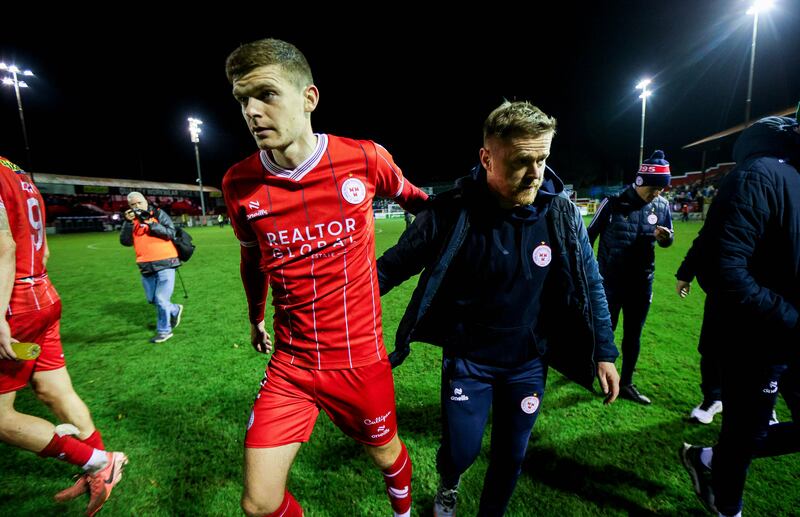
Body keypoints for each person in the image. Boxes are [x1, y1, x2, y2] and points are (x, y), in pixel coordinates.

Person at [377, 101, 620, 517]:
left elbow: (589, 280)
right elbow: (389, 269)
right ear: (487, 158)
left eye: (542, 159)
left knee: (512, 455)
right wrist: (330, 310)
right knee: (461, 449)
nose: (535, 172)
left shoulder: (562, 213)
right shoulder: (451, 212)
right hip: (469, 361)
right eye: (522, 160)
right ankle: (449, 483)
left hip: (528, 362)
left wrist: (604, 349)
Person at [221, 38, 428, 517]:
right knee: (258, 503)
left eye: (266, 94)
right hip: (290, 366)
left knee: (386, 455)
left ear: (309, 98)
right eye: (241, 100)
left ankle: (401, 512)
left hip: (359, 362)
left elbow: (423, 208)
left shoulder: (363, 159)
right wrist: (255, 318)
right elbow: (251, 263)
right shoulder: (239, 183)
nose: (252, 111)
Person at [680, 114, 800, 517]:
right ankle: (727, 505)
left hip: (788, 332)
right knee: (745, 432)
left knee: (745, 434)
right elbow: (723, 265)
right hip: (759, 337)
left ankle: (708, 458)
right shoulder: (759, 175)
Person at [0, 156, 127, 516]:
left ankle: (97, 461)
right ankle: (101, 469)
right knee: (54, 390)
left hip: (12, 303)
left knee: (1, 419)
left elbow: (3, 245)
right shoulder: (15, 170)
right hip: (41, 291)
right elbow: (42, 247)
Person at [587, 150, 674, 404]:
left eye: (661, 188)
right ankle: (596, 373)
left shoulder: (662, 205)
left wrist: (666, 238)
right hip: (609, 284)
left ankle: (626, 383)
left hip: (641, 283)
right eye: (654, 188)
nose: (657, 193)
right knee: (606, 331)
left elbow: (669, 238)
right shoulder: (612, 202)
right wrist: (591, 271)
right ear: (640, 181)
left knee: (633, 336)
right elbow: (588, 237)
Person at [119, 192, 184, 344]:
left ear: (145, 202)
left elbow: (170, 233)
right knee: (153, 299)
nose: (137, 207)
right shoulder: (131, 221)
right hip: (145, 265)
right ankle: (174, 309)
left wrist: (151, 223)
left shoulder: (158, 214)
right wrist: (127, 223)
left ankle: (164, 331)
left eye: (139, 203)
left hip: (166, 262)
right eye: (133, 205)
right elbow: (125, 241)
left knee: (161, 299)